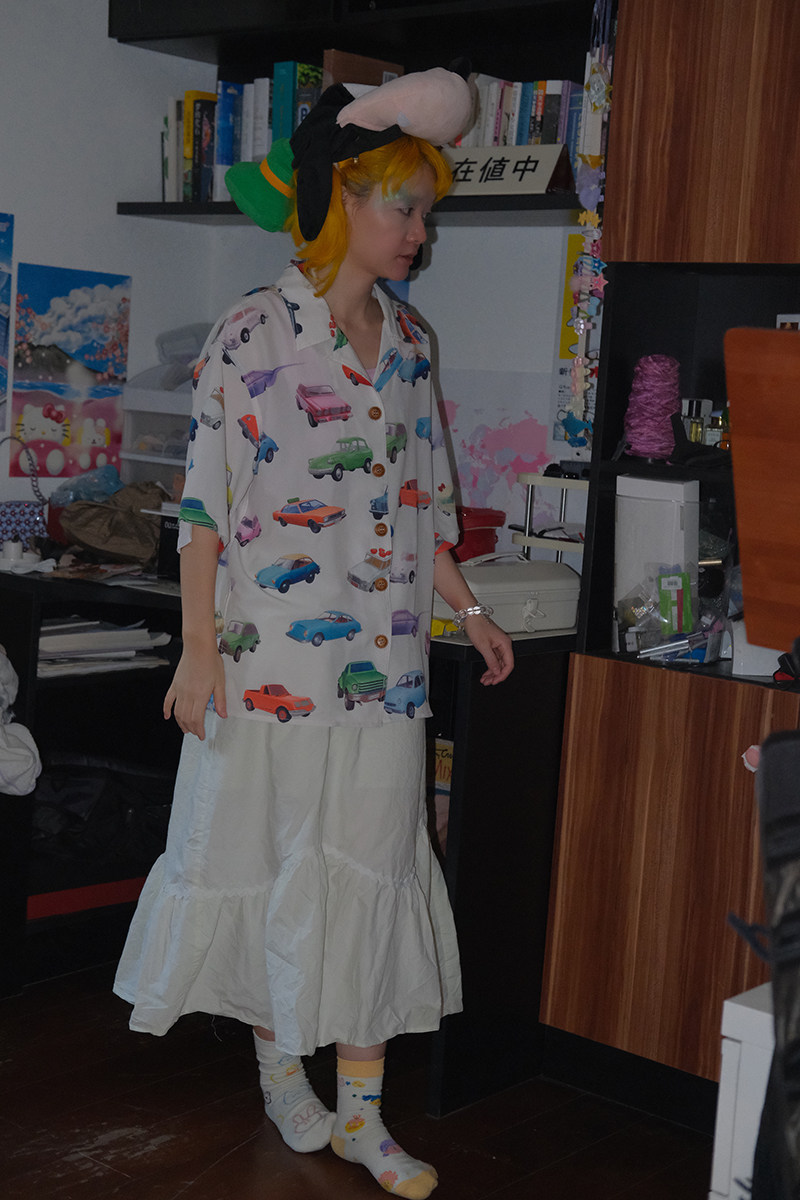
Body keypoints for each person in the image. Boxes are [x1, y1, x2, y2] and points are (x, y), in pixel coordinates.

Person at [114, 66, 514, 1199]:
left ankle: (364, 1117)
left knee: (374, 872)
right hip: (269, 664)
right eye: (407, 208)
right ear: (346, 197)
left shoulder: (412, 343)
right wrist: (198, 651)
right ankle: (284, 1076)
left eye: (427, 211)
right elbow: (201, 513)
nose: (421, 233)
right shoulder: (251, 334)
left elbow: (425, 505)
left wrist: (472, 611)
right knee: (272, 870)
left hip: (386, 672)